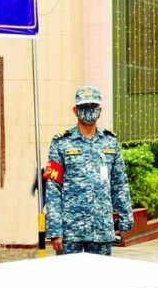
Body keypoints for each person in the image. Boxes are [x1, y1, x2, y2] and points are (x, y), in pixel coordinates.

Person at [44, 85, 133, 256]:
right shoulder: (61, 142)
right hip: (70, 231)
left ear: (100, 110)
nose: (89, 111)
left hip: (102, 229)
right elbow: (53, 187)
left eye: (92, 107)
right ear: (75, 110)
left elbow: (119, 183)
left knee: (101, 281)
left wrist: (125, 220)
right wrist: (55, 230)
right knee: (69, 280)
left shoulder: (110, 142)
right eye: (84, 107)